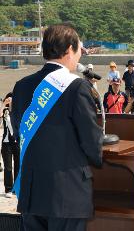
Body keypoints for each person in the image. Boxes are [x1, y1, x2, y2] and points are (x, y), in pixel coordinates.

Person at [11, 24, 103, 231]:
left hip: (32, 190)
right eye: (80, 48)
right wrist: (99, 153)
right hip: (67, 192)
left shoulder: (21, 85)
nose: (80, 54)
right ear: (69, 50)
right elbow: (90, 140)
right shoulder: (77, 86)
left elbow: (19, 132)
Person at [0, 93, 19, 198]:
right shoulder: (5, 111)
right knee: (8, 167)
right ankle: (9, 189)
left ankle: (16, 188)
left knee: (18, 166)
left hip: (17, 142)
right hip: (6, 143)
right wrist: (3, 104)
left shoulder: (18, 110)